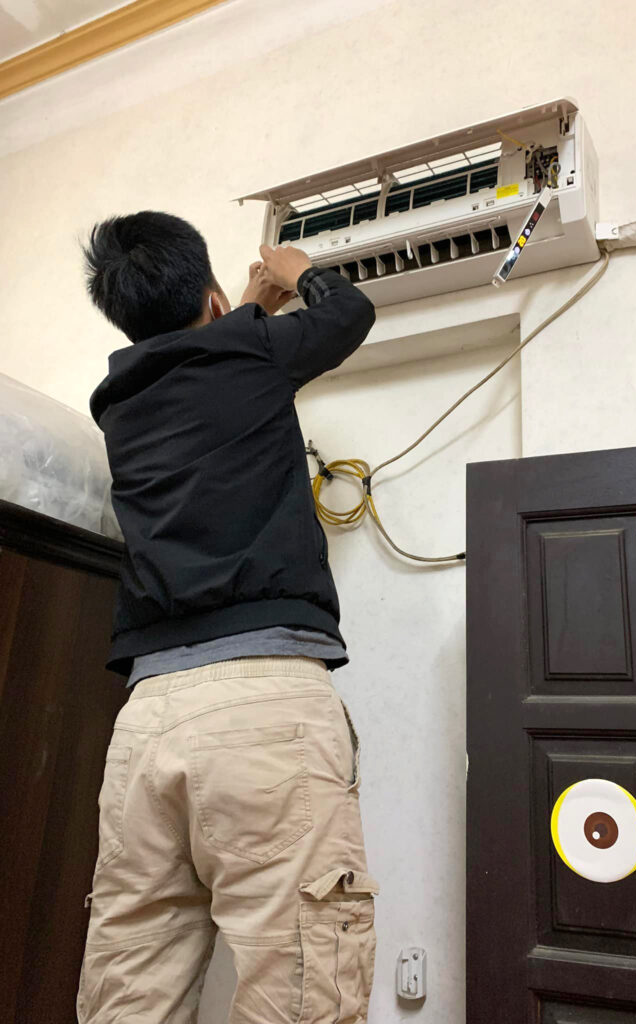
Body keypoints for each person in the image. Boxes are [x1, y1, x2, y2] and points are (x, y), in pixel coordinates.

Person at [78, 210, 378, 1023]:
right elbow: (350, 314)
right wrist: (295, 268)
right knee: (301, 983)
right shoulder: (250, 352)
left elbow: (203, 368)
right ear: (212, 301)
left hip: (147, 720)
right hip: (262, 701)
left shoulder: (120, 404)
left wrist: (244, 310)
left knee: (130, 982)